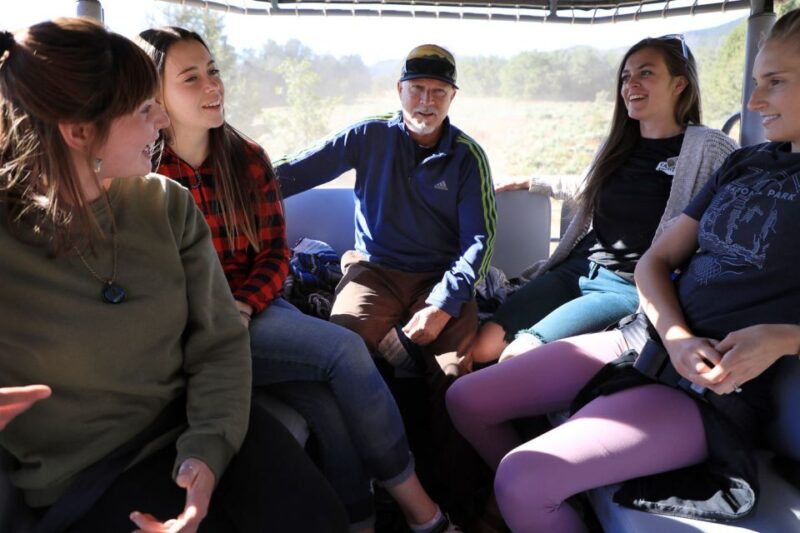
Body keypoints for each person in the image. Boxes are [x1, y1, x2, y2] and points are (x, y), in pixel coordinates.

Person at [447, 10, 800, 531]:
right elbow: (657, 261)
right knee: (467, 398)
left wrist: (784, 338)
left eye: (775, 82)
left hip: (713, 387)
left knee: (523, 478)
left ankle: (528, 506)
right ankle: (548, 509)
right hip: (647, 340)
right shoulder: (744, 164)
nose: (753, 102)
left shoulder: (710, 150)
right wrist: (675, 336)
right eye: (755, 83)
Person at [0, 18, 348, 532]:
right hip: (89, 479)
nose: (163, 120)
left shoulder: (166, 207)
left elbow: (220, 345)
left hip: (198, 433)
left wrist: (206, 452)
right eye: (145, 109)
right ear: (79, 132)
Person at [139, 27, 456, 533]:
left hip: (253, 309)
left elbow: (273, 254)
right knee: (344, 350)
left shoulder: (245, 159)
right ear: (156, 94)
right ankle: (423, 511)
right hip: (195, 329)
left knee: (330, 405)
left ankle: (361, 519)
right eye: (191, 78)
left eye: (214, 71)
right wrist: (226, 315)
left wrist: (245, 305)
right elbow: (153, 282)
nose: (212, 86)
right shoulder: (144, 175)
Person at [469, 35, 737, 369]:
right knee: (480, 348)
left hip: (627, 285)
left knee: (516, 356)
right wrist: (528, 181)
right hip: (579, 268)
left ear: (679, 83)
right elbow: (585, 184)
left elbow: (739, 206)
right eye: (626, 77)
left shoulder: (709, 147)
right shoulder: (616, 144)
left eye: (646, 73)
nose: (631, 84)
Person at [275, 43, 495, 377]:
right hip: (374, 271)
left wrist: (444, 303)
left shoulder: (468, 157)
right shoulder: (369, 135)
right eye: (417, 89)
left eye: (438, 92)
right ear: (400, 90)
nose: (426, 102)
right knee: (343, 350)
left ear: (452, 97)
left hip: (439, 276)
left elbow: (479, 241)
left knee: (451, 374)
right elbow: (298, 170)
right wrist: (234, 182)